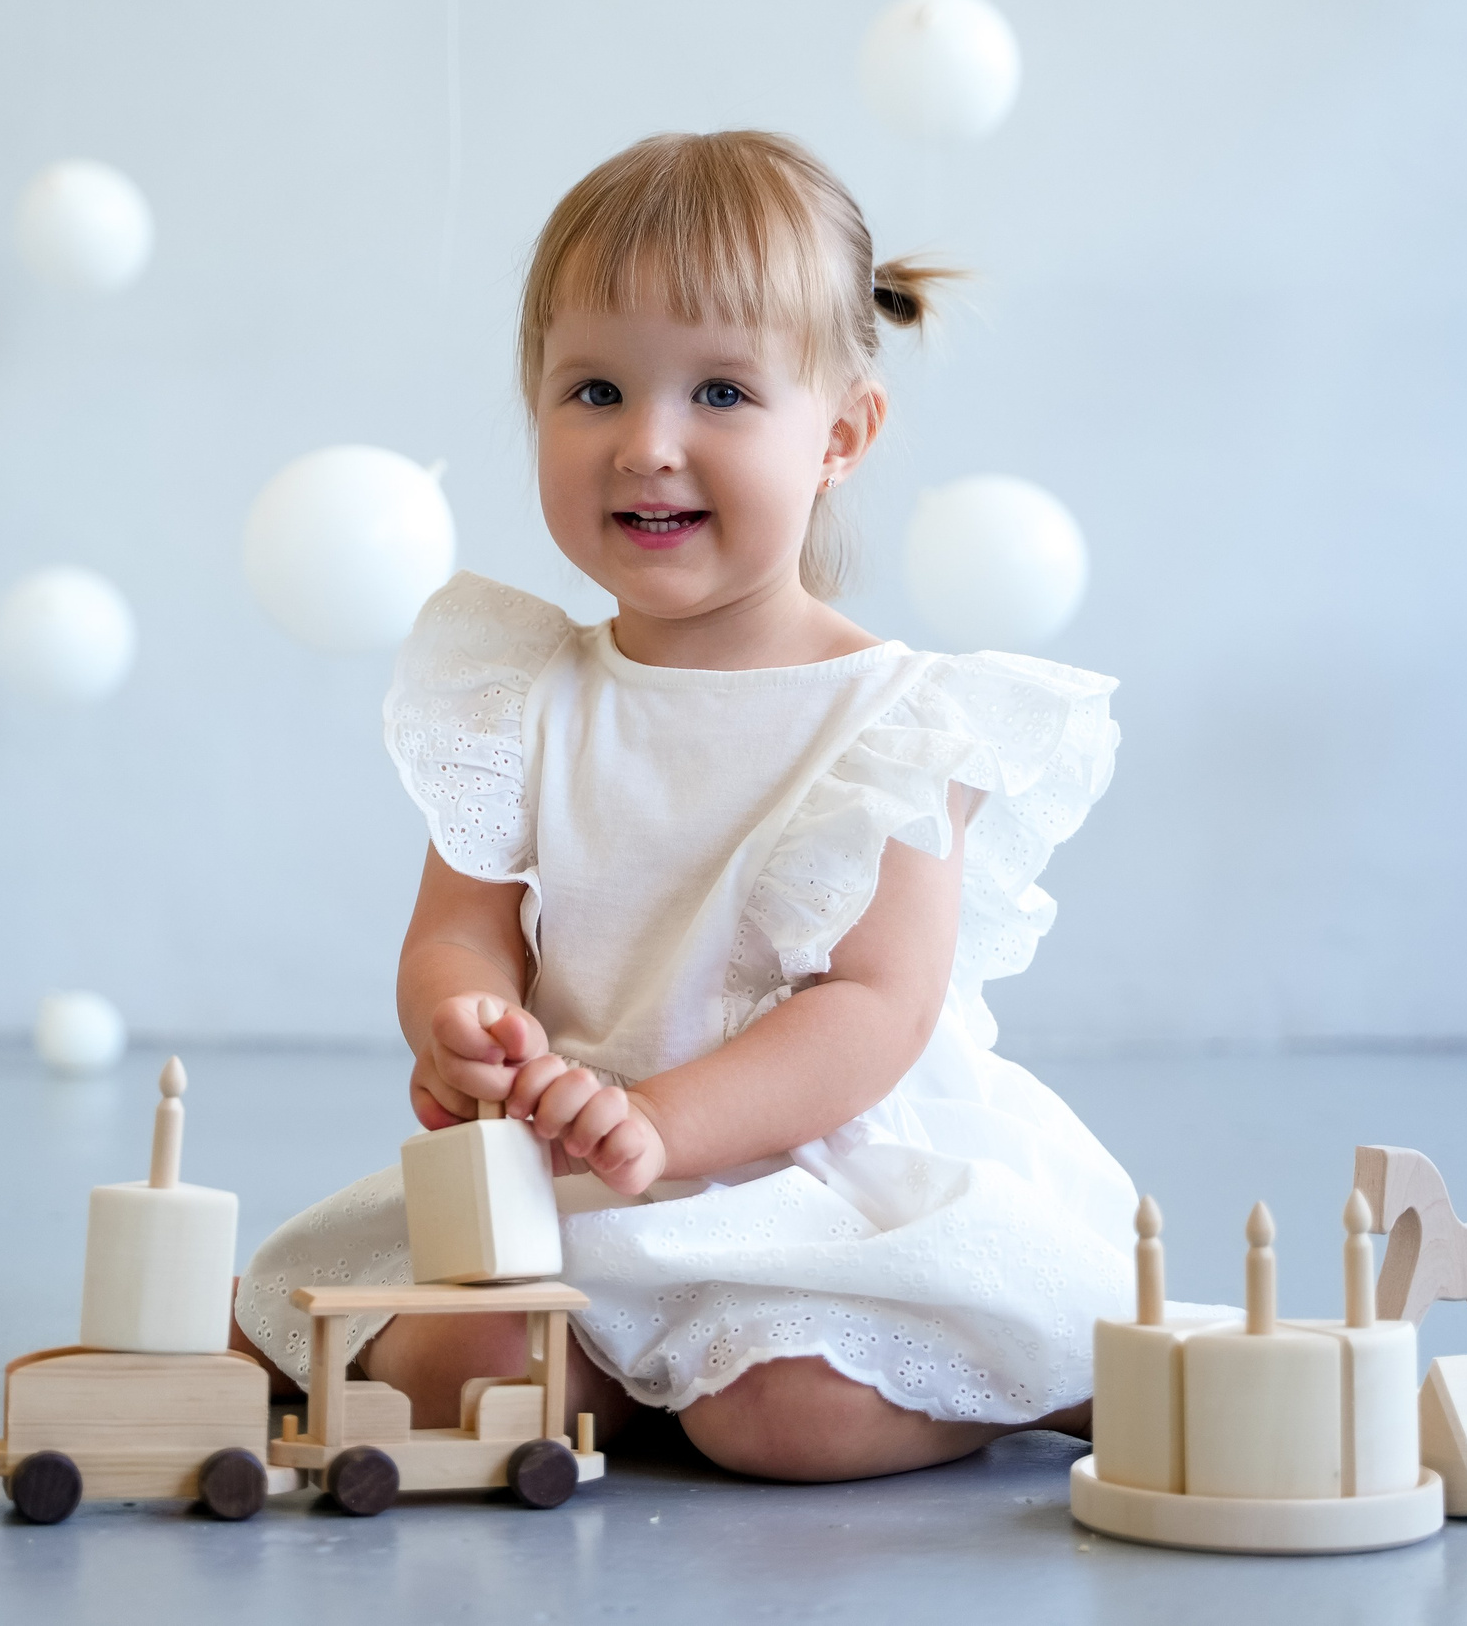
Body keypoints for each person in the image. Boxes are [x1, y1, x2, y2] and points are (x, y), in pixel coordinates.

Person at [233, 129, 1137, 1481]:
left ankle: (1016, 1373)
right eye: (594, 390)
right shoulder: (525, 691)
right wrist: (461, 1016)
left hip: (817, 1181)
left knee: (785, 1419)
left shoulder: (897, 724)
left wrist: (673, 1126)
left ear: (839, 434)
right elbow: (466, 923)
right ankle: (624, 1364)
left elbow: (872, 1012)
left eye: (720, 393)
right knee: (451, 1375)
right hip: (583, 1166)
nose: (648, 446)